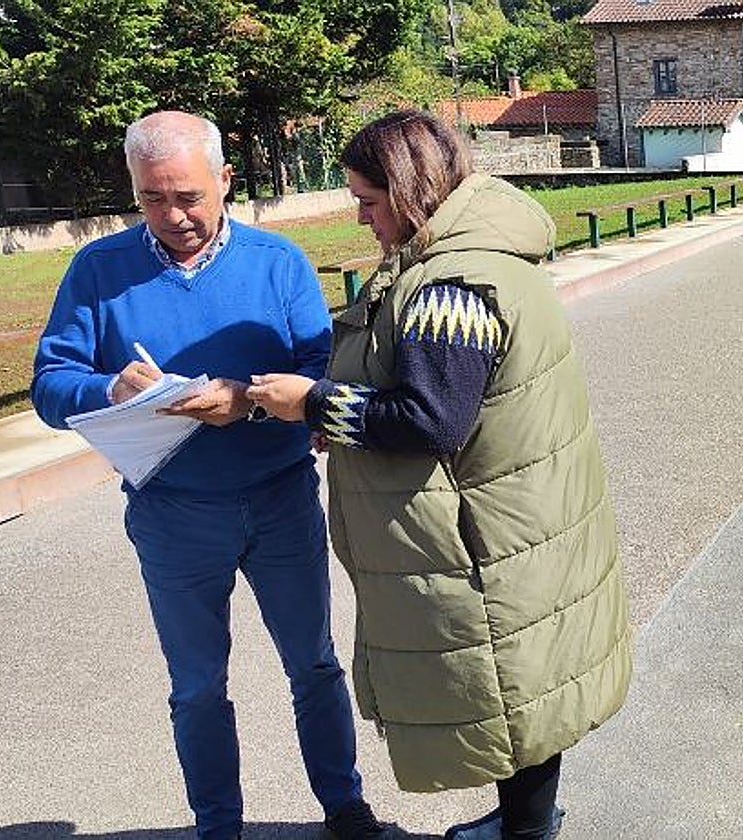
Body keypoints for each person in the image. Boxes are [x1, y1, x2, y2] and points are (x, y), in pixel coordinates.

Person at [246, 109, 633, 840]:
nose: (361, 218)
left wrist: (317, 406)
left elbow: (430, 422)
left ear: (409, 189)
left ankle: (525, 832)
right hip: (518, 521)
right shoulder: (485, 256)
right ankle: (528, 818)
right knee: (525, 686)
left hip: (486, 541)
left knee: (511, 687)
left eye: (367, 201)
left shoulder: (449, 289)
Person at [31, 111, 391, 840]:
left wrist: (248, 402)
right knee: (197, 689)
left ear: (226, 180)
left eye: (190, 197)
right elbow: (49, 384)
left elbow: (321, 372)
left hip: (279, 497)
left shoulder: (277, 262)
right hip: (172, 512)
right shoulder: (97, 271)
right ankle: (216, 826)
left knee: (314, 665)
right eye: (153, 199)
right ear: (133, 190)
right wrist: (109, 390)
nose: (175, 216)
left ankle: (344, 806)